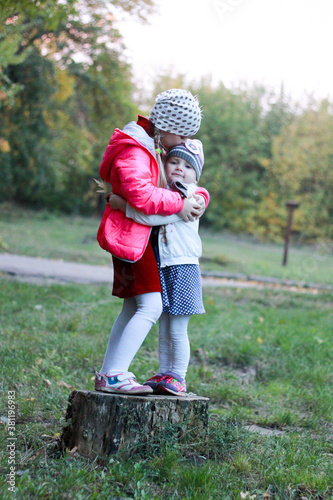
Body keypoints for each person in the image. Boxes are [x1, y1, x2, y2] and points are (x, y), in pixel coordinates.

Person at [94, 89, 209, 395]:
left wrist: (124, 204)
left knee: (134, 308)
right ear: (168, 127)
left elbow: (149, 198)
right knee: (150, 305)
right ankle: (115, 374)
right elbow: (143, 197)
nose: (184, 143)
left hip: (139, 236)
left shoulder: (150, 146)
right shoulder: (137, 148)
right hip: (134, 237)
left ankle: (109, 372)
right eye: (183, 135)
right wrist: (179, 204)